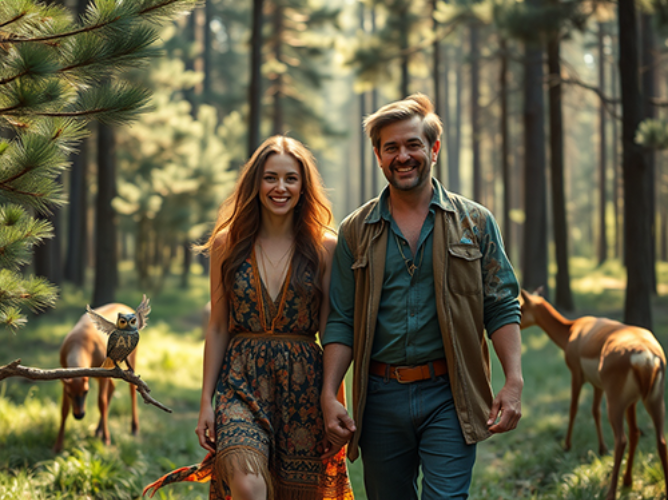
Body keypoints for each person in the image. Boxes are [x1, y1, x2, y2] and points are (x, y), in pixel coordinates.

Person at [320, 94, 523, 500]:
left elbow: (500, 304)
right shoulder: (356, 230)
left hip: (451, 391)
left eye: (413, 144)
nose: (403, 156)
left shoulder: (476, 222)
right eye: (391, 147)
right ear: (378, 156)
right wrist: (329, 393)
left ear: (433, 148)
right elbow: (341, 319)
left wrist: (513, 380)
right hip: (379, 397)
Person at [144, 136, 353, 500]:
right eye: (271, 177)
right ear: (256, 182)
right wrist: (206, 401)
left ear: (304, 186)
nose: (280, 187)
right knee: (248, 485)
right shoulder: (228, 243)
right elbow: (219, 325)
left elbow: (330, 330)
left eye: (291, 178)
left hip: (303, 383)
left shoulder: (325, 247)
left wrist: (334, 400)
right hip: (241, 380)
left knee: (298, 492)